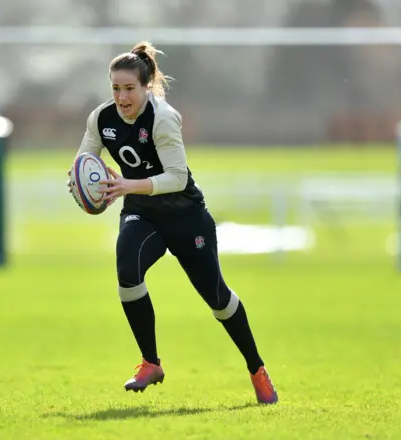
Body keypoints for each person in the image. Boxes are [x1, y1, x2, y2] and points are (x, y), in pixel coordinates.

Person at [68, 41, 278, 404]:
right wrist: (82, 182)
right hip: (142, 212)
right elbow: (85, 159)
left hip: (185, 216)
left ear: (146, 86)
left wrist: (126, 184)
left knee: (218, 300)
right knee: (127, 268)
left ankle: (257, 368)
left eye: (129, 88)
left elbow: (177, 178)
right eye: (115, 88)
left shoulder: (163, 118)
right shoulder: (101, 118)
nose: (122, 97)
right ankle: (151, 362)